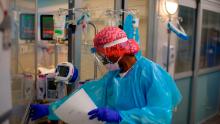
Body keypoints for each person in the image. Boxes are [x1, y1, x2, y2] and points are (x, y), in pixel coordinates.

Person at [30, 26, 182, 124]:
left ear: (115, 51)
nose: (103, 61)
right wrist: (51, 109)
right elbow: (86, 95)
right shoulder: (112, 78)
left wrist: (120, 117)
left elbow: (160, 115)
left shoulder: (151, 73)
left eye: (104, 56)